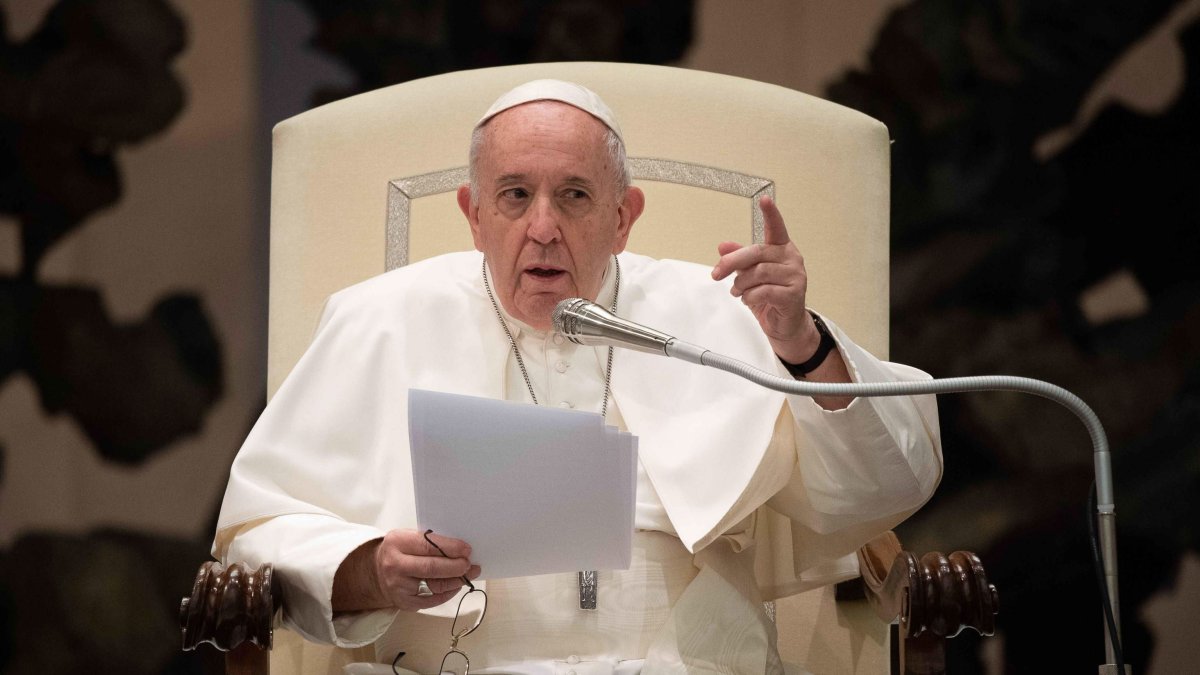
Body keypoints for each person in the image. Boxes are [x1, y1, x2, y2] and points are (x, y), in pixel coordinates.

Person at [214, 80, 942, 674]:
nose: (542, 226)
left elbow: (885, 487)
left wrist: (799, 340)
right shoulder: (379, 320)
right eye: (513, 195)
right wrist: (368, 570)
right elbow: (254, 530)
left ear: (624, 216)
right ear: (473, 214)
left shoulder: (725, 313)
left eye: (574, 195)